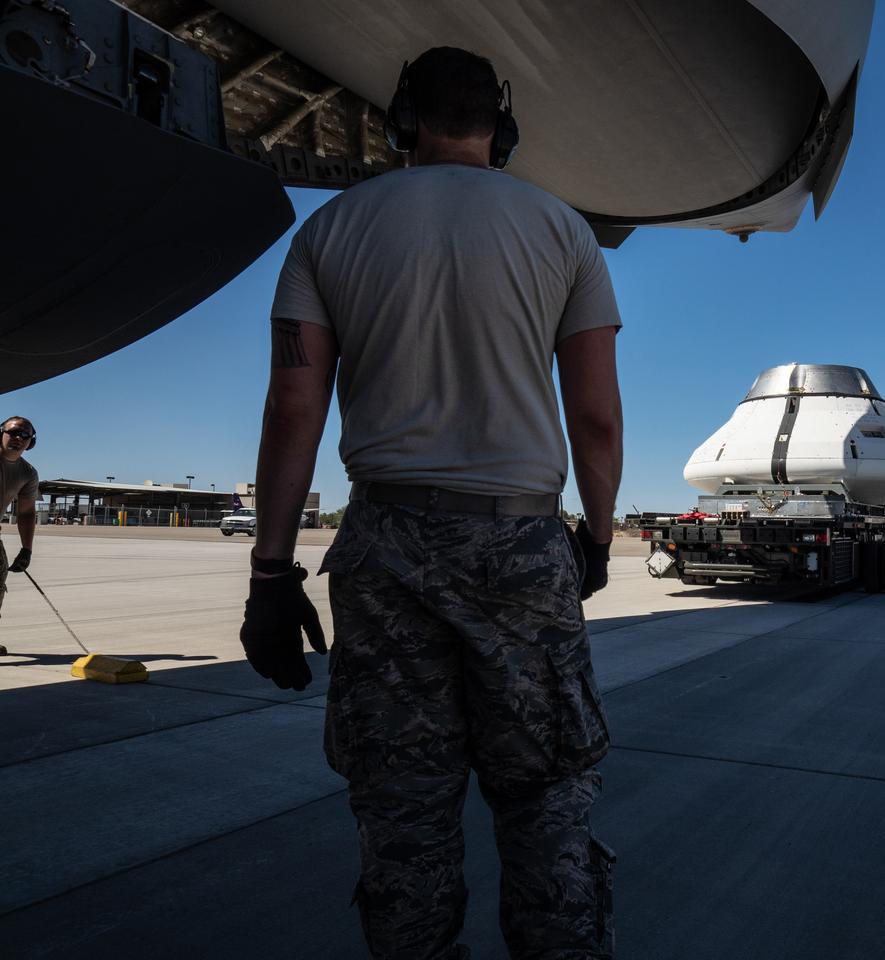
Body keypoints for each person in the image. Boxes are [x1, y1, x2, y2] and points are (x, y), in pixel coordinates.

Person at [237, 47, 624, 960]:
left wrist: (269, 571)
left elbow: (294, 406)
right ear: (505, 126)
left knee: (404, 808)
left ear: (400, 120)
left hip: (385, 544)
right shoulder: (563, 231)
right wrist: (597, 539)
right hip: (521, 539)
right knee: (546, 800)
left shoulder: (330, 230)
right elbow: (597, 419)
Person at [0, 417, 39, 643]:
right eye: (13, 432)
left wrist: (27, 549)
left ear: (30, 443)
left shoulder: (28, 474)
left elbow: (25, 513)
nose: (18, 438)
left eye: (25, 436)